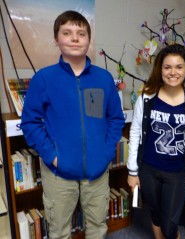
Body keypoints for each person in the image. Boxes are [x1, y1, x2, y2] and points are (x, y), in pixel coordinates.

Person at [21, 10, 125, 239]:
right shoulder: (44, 79)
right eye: (67, 33)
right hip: (58, 174)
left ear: (89, 39)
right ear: (56, 39)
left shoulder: (103, 78)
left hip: (97, 173)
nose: (75, 38)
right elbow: (30, 122)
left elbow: (115, 119)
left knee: (97, 226)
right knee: (59, 231)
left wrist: (106, 153)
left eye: (81, 33)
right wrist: (52, 155)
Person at [127, 43, 185, 239]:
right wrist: (132, 171)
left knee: (170, 223)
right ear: (160, 69)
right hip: (148, 168)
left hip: (177, 171)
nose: (173, 72)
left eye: (179, 67)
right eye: (167, 67)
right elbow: (135, 131)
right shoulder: (147, 95)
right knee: (154, 212)